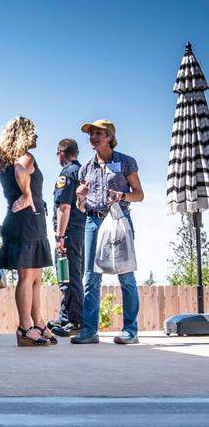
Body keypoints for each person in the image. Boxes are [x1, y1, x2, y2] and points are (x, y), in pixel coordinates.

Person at [71, 119, 145, 345]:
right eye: (91, 134)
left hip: (119, 219)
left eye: (98, 133)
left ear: (110, 136)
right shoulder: (85, 168)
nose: (93, 137)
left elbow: (139, 194)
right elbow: (80, 208)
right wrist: (80, 196)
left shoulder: (125, 162)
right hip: (93, 222)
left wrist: (122, 196)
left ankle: (130, 331)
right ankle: (89, 330)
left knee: (126, 275)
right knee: (91, 278)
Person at [0, 117, 54, 347]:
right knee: (28, 278)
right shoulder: (24, 158)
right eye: (33, 133)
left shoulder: (6, 162)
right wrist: (27, 195)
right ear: (24, 135)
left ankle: (38, 322)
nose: (37, 137)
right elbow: (20, 170)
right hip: (27, 221)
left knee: (35, 278)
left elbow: (17, 171)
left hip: (23, 221)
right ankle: (25, 327)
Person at [48, 138, 85, 336]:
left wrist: (60, 236)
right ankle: (64, 318)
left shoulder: (67, 173)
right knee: (73, 275)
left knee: (67, 276)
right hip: (81, 230)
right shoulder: (83, 171)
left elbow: (64, 206)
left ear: (61, 153)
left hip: (69, 232)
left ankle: (75, 321)